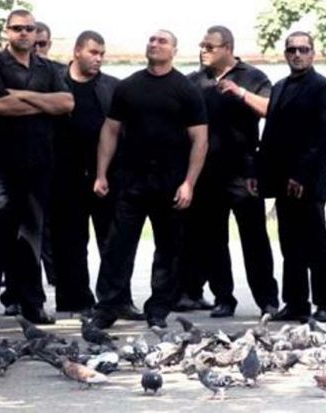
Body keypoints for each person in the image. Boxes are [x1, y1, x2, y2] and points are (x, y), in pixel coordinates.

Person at [91, 30, 208, 329]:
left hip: (171, 183)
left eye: (162, 41)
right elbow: (110, 130)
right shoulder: (128, 87)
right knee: (118, 246)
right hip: (131, 181)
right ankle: (108, 306)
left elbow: (200, 139)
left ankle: (158, 308)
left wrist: (189, 183)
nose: (155, 44)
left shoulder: (186, 89)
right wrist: (102, 173)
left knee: (169, 249)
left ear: (174, 50)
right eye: (152, 40)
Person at [0, 9, 73, 327]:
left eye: (29, 28)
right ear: (7, 31)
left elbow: (67, 103)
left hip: (38, 165)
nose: (24, 33)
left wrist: (24, 96)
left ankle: (32, 305)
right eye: (18, 28)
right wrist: (43, 102)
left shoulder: (47, 68)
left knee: (31, 238)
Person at [176, 25, 278, 318]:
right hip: (207, 172)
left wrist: (240, 93)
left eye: (210, 46)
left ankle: (267, 300)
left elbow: (271, 109)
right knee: (212, 239)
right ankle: (223, 297)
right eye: (202, 45)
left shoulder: (253, 77)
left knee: (254, 237)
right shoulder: (194, 81)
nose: (203, 50)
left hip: (243, 171)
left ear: (228, 48)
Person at [51, 30, 142, 319]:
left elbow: (124, 130)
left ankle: (118, 300)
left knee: (114, 242)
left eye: (102, 54)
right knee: (69, 242)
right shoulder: (55, 82)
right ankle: (75, 301)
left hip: (107, 175)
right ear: (77, 51)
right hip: (65, 175)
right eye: (93, 52)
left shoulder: (113, 87)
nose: (98, 58)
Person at [259, 31, 326, 323]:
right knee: (289, 244)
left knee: (316, 243)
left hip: (309, 179)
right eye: (292, 49)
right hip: (281, 179)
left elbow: (321, 136)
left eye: (303, 49)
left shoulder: (323, 87)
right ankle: (295, 302)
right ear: (285, 53)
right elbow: (269, 134)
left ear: (313, 53)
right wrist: (259, 171)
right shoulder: (279, 86)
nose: (297, 54)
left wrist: (300, 175)